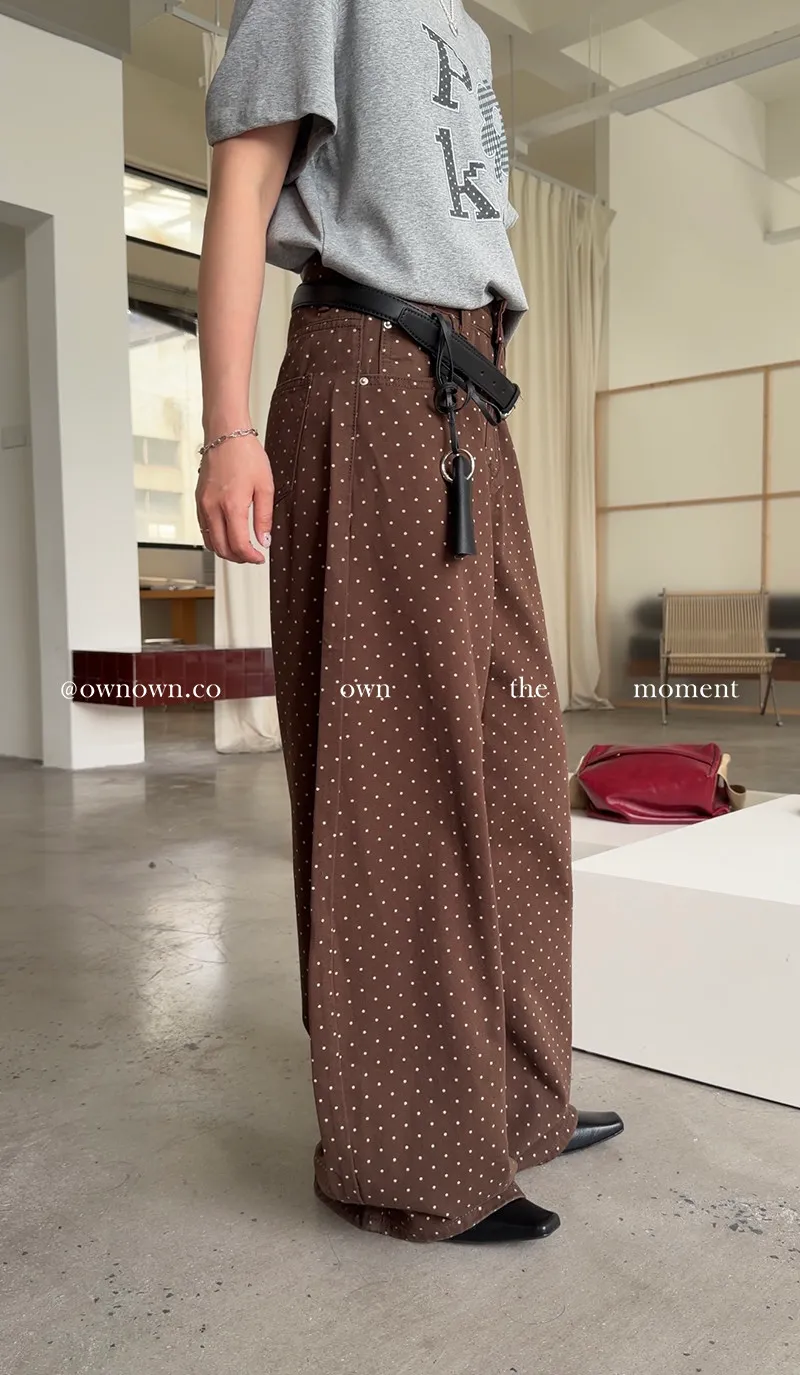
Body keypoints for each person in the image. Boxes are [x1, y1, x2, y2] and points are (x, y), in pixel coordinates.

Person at [196, 0, 622, 1245]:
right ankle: (416, 1160)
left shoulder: (466, 34)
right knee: (394, 780)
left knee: (515, 772)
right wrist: (225, 428)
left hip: (465, 392)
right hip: (368, 368)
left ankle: (517, 1102)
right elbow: (245, 183)